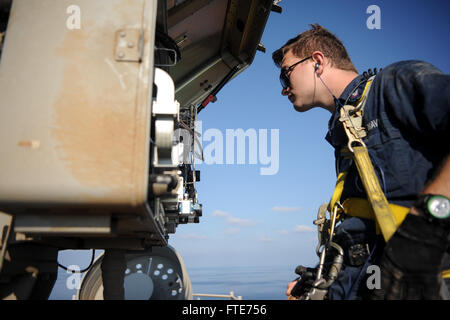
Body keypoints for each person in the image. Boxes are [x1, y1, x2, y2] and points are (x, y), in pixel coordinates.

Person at [272, 24, 450, 300]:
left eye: (286, 75)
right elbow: (366, 225)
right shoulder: (343, 130)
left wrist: (425, 227)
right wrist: (324, 274)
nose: (284, 90)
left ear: (317, 61)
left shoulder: (394, 84)